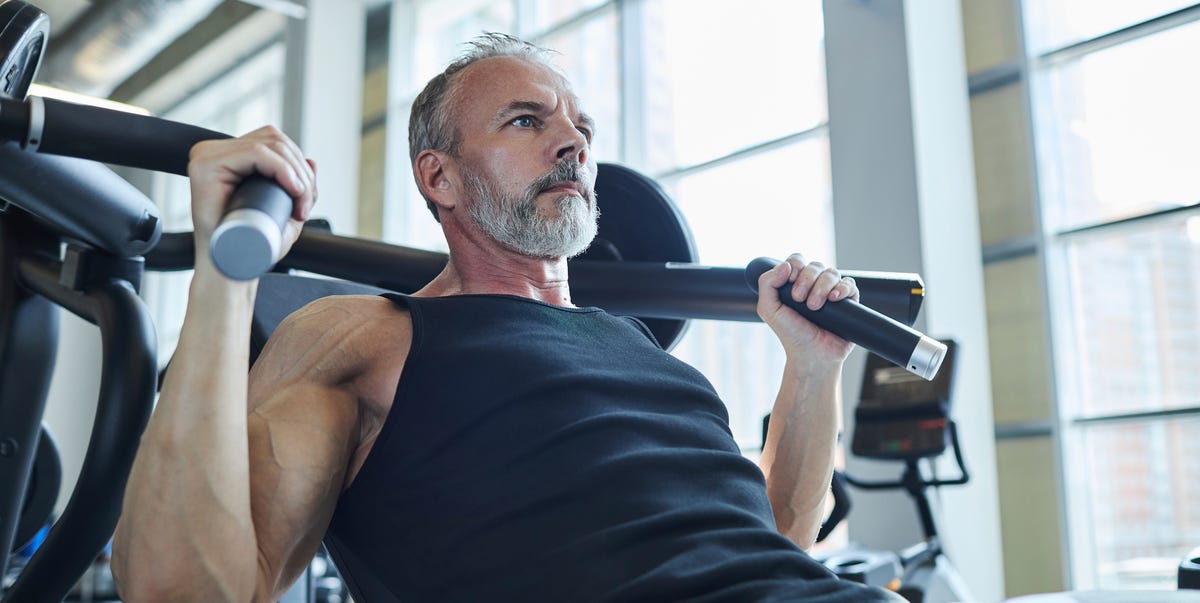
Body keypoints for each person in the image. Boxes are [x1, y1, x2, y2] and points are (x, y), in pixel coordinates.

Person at [111, 33, 905, 602]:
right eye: (527, 121)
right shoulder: (370, 337)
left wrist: (813, 367)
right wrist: (224, 272)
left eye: (581, 128)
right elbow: (183, 589)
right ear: (440, 178)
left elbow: (774, 542)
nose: (573, 144)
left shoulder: (644, 351)